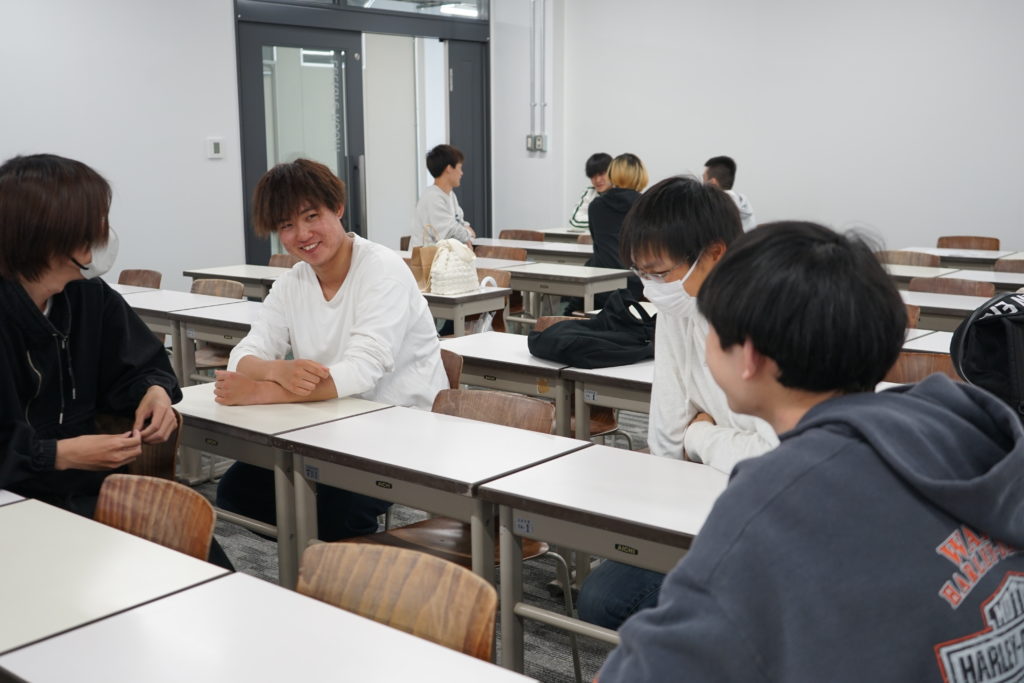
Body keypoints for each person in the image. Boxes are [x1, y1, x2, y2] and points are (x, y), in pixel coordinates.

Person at [597, 221, 1024, 682]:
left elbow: (640, 672)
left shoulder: (778, 496)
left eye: (712, 332)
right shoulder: (956, 425)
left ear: (749, 356)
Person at [577, 176, 777, 630]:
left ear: (714, 254)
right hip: (701, 495)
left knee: (619, 602)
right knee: (600, 599)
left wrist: (700, 434)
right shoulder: (678, 307)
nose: (650, 288)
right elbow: (667, 422)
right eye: (641, 273)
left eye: (660, 273)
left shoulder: (763, 323)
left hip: (766, 512)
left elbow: (774, 459)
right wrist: (662, 513)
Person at [214, 158, 448, 541]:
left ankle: (345, 570)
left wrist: (260, 391)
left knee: (335, 514)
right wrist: (277, 370)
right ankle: (313, 561)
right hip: (327, 421)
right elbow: (244, 354)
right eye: (286, 226)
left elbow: (362, 371)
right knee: (237, 494)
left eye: (311, 216)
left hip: (400, 428)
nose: (302, 234)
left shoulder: (382, 270)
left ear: (337, 208)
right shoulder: (293, 282)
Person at [0, 155, 179, 511]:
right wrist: (57, 454)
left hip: (90, 483)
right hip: (15, 494)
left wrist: (154, 391)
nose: (102, 234)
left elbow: (138, 364)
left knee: (186, 537)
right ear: (47, 235)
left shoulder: (89, 295)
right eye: (93, 223)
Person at [585, 153, 648, 305]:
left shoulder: (596, 206)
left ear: (611, 174)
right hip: (636, 285)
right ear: (640, 175)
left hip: (600, 283)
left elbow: (597, 242)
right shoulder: (646, 205)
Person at [411, 144, 475, 247]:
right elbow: (450, 233)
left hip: (445, 255)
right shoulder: (432, 197)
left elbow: (461, 224)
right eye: (459, 168)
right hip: (430, 256)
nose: (461, 173)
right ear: (449, 168)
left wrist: (465, 233)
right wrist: (468, 234)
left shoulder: (451, 195)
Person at [703, 155, 756, 231]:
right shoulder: (745, 205)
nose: (702, 185)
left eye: (704, 179)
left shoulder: (713, 209)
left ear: (712, 183)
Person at [568, 152, 612, 229]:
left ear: (612, 172)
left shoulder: (623, 192)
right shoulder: (590, 192)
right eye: (593, 176)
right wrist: (603, 221)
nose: (597, 180)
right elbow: (575, 220)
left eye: (601, 174)